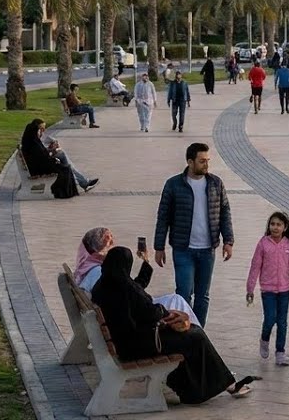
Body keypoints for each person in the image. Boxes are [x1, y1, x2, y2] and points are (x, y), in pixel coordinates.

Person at [91, 247, 257, 403]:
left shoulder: (104, 285)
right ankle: (223, 384)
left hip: (127, 343)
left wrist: (146, 265)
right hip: (137, 346)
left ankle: (196, 388)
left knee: (188, 336)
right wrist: (166, 313)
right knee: (196, 335)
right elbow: (149, 311)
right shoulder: (123, 287)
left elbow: (136, 293)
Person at [153, 143, 235, 327]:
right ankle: (183, 330)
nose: (206, 165)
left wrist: (228, 241)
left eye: (208, 161)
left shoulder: (216, 183)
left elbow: (224, 212)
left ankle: (198, 332)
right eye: (202, 161)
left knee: (202, 296)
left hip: (208, 250)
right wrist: (159, 247)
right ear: (190, 162)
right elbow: (163, 216)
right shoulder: (173, 184)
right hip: (183, 249)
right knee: (183, 293)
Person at [74, 227, 198, 326]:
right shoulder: (99, 273)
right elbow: (129, 295)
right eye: (110, 245)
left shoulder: (94, 271)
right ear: (101, 251)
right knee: (177, 301)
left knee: (175, 300)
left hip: (128, 312)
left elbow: (130, 289)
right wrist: (160, 311)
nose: (113, 247)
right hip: (132, 319)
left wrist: (146, 262)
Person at [246, 212, 289, 366]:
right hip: (268, 290)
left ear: (285, 227)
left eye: (279, 224)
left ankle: (280, 352)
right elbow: (255, 266)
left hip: (285, 289)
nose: (275, 227)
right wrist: (250, 288)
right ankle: (264, 339)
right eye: (272, 224)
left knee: (282, 322)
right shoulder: (263, 244)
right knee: (270, 318)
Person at [20, 118, 99, 193]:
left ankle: (82, 182)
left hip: (41, 164)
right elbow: (42, 157)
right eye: (41, 129)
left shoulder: (32, 139)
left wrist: (51, 150)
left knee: (63, 156)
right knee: (65, 163)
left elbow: (40, 153)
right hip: (39, 168)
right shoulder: (33, 141)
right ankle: (82, 183)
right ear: (36, 129)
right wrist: (52, 153)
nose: (43, 131)